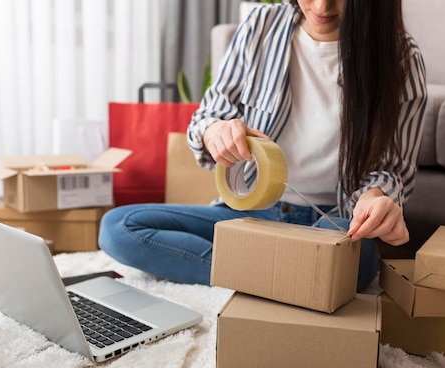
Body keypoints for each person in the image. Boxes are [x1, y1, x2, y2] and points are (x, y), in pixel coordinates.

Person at [98, 0, 427, 291]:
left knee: (353, 257)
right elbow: (210, 114)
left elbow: (391, 167)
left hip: (331, 220)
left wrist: (375, 198)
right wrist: (215, 131)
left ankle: (253, 274)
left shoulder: (400, 58)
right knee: (118, 228)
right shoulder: (261, 26)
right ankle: (288, 282)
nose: (322, 7)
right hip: (248, 213)